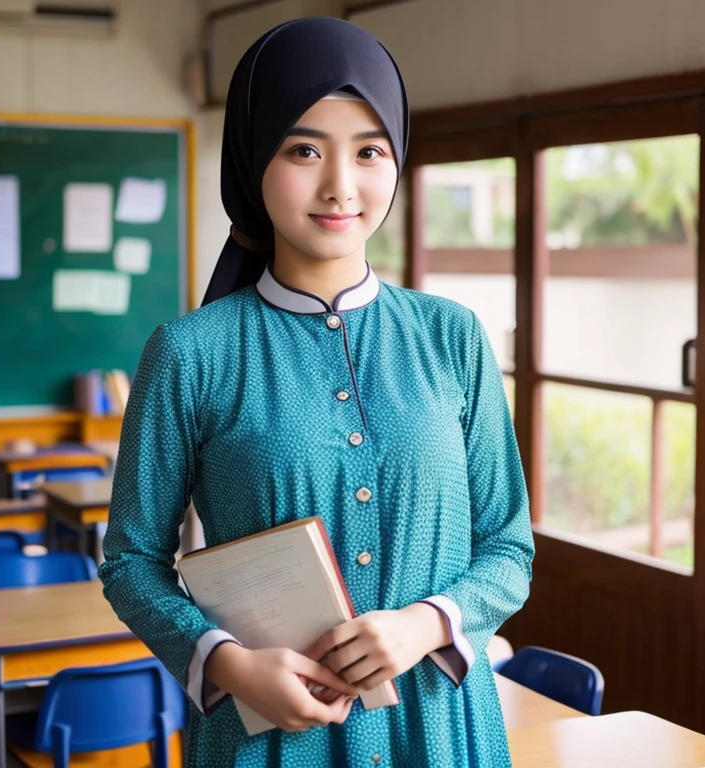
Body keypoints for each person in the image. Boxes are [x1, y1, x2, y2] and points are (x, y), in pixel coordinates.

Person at [99, 16, 535, 768]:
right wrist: (227, 664)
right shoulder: (189, 353)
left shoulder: (452, 336)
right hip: (268, 735)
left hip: (437, 730)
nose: (340, 185)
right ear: (252, 160)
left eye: (370, 152)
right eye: (303, 150)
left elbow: (509, 547)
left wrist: (426, 624)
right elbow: (131, 559)